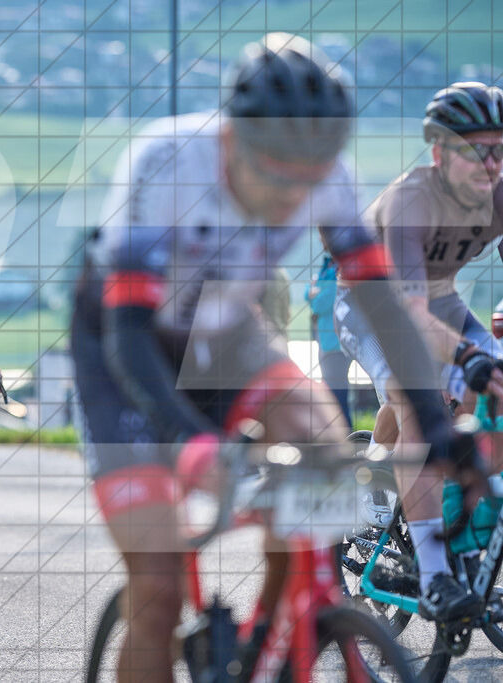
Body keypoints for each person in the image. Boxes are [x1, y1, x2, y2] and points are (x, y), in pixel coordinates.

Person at [72, 33, 484, 682]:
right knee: (157, 593)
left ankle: (264, 650)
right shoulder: (166, 160)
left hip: (231, 335)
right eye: (275, 173)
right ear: (232, 139)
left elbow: (384, 307)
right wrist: (190, 440)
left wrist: (438, 432)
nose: (294, 193)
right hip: (126, 356)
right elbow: (127, 333)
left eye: (309, 176)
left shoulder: (329, 173)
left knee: (324, 448)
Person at [334, 81, 503, 620]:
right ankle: (432, 575)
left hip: (440, 299)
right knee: (418, 396)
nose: (491, 162)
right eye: (476, 150)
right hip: (369, 303)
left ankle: (453, 519)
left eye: (499, 149)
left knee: (488, 385)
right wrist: (465, 362)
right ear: (439, 153)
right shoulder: (411, 201)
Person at [307, 250, 353, 430]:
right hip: (326, 341)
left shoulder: (338, 269)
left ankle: (345, 442)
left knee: (337, 398)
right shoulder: (327, 264)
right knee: (334, 395)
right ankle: (343, 440)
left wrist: (314, 293)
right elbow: (306, 292)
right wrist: (312, 293)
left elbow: (320, 303)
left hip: (336, 344)